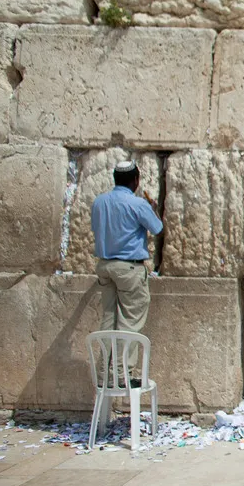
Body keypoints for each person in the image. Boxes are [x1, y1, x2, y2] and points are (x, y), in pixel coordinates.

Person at [91, 160, 163, 384]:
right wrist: (153, 209)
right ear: (135, 180)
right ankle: (122, 375)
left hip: (105, 266)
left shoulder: (99, 202)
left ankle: (104, 373)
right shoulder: (138, 203)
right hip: (129, 268)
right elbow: (157, 228)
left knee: (109, 319)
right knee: (130, 321)